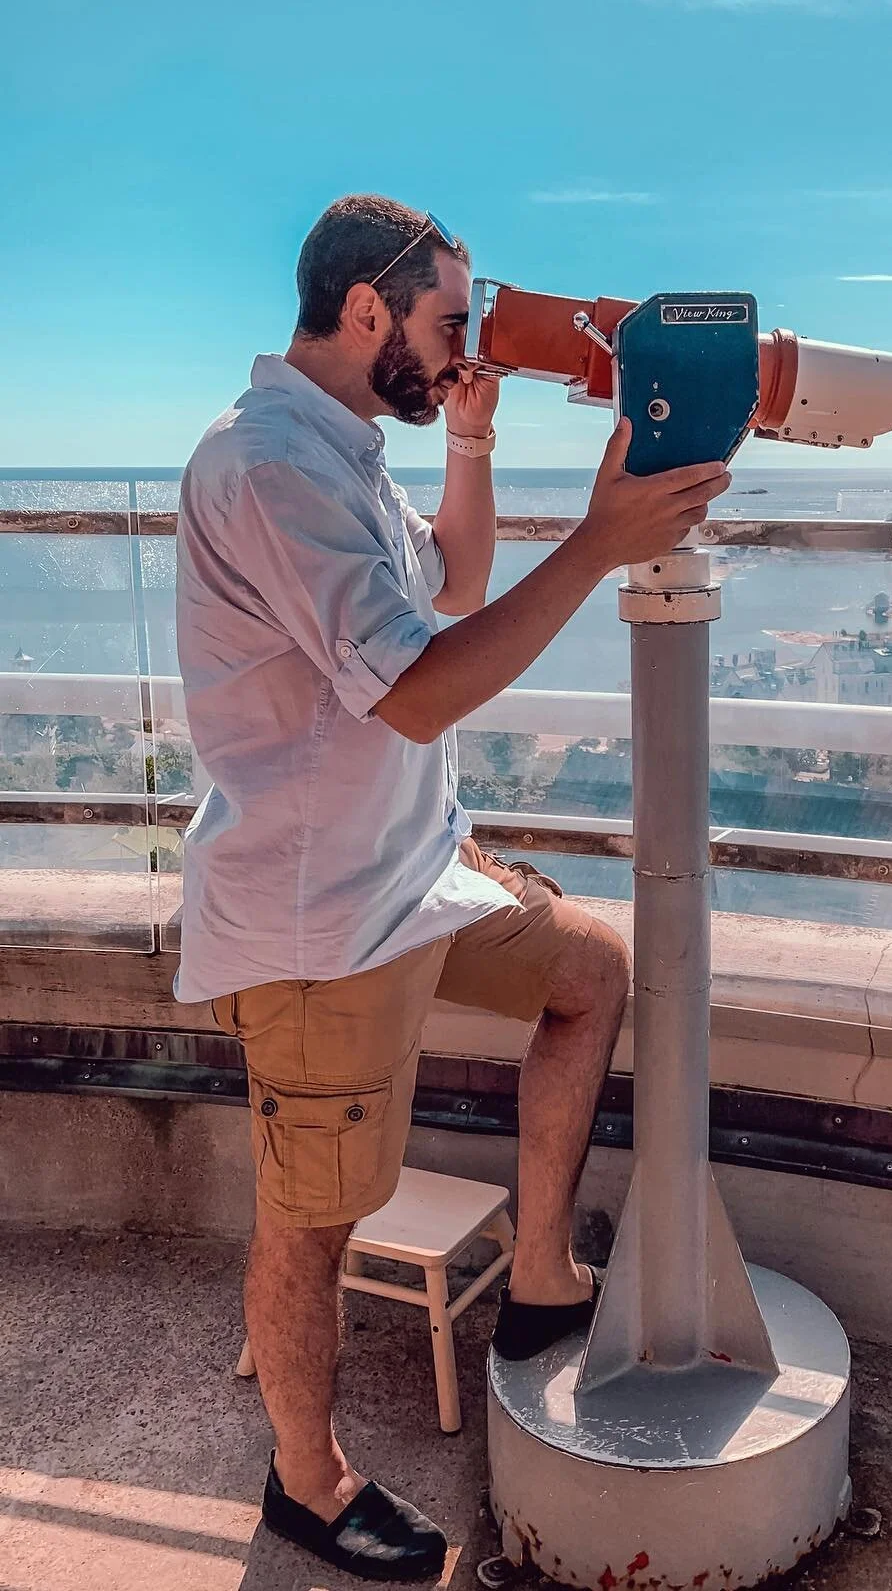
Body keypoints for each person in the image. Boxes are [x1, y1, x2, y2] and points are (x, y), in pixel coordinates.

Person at [174, 194, 730, 1581]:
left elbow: (453, 577)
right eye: (446, 326)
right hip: (320, 920)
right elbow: (420, 692)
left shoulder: (344, 451)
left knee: (588, 972)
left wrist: (472, 440)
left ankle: (537, 1277)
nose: (463, 346)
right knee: (313, 1220)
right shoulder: (269, 471)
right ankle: (307, 1482)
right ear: (366, 309)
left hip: (411, 876)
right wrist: (601, 543)